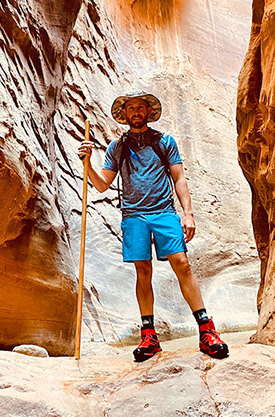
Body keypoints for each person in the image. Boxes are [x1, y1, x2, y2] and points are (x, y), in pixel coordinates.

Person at [78, 91, 229, 362]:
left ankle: (207, 331)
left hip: (164, 212)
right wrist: (87, 163)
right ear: (124, 115)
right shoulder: (117, 147)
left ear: (149, 112)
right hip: (134, 216)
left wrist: (188, 213)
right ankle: (149, 336)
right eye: (131, 108)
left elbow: (179, 178)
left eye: (141, 107)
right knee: (142, 269)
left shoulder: (164, 142)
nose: (136, 112)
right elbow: (101, 185)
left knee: (181, 263)